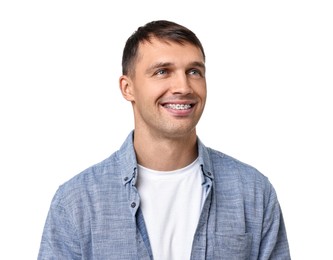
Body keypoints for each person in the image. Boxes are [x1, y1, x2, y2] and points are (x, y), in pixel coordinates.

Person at [38, 20, 291, 259]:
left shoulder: (254, 192)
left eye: (194, 71)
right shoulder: (77, 202)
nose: (183, 86)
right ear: (128, 88)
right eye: (162, 71)